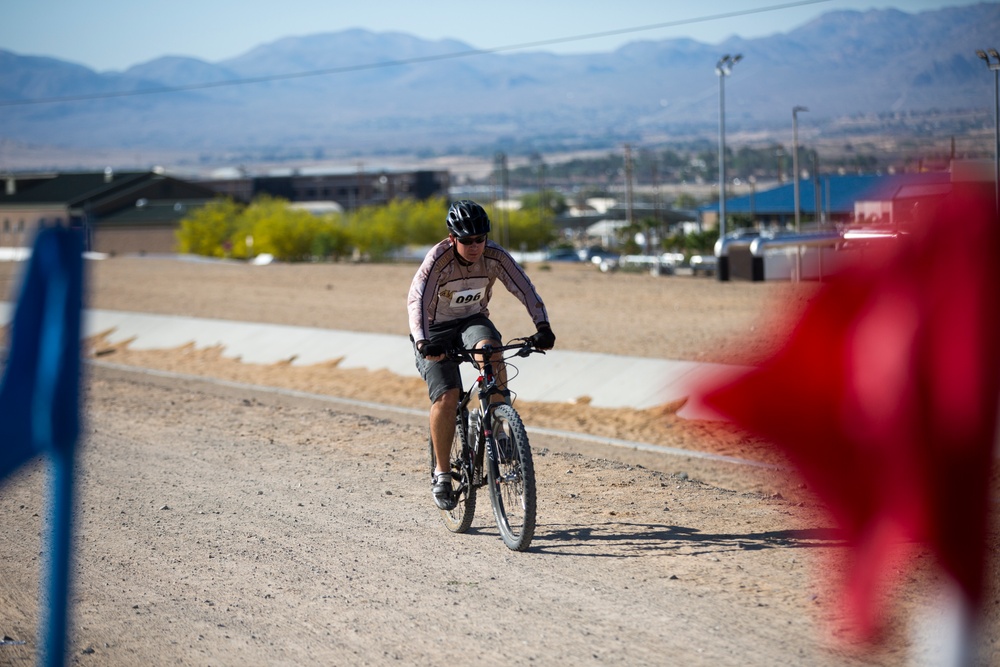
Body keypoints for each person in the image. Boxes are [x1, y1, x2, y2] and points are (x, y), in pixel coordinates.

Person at [407, 200, 556, 510]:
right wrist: (423, 342)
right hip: (434, 330)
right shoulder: (438, 261)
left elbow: (524, 288)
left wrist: (542, 326)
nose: (474, 246)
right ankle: (442, 473)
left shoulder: (494, 256)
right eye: (466, 240)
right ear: (452, 239)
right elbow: (417, 301)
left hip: (472, 320)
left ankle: (499, 424)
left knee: (491, 351)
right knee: (447, 396)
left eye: (480, 239)